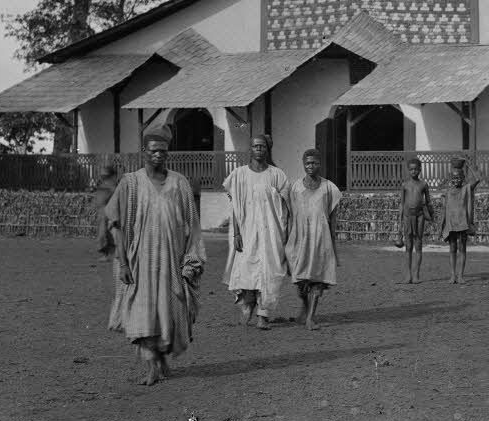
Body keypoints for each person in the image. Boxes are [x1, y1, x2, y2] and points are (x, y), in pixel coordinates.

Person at [104, 128, 206, 386]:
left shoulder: (180, 182)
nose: (158, 155)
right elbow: (114, 222)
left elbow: (192, 224)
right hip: (139, 261)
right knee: (140, 312)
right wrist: (124, 262)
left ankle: (161, 362)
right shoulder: (130, 183)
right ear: (144, 153)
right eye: (153, 151)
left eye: (163, 151)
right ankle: (151, 366)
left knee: (168, 313)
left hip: (171, 262)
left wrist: (192, 260)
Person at [222, 134, 291, 329]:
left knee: (270, 271)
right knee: (246, 270)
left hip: (272, 233)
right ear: (250, 149)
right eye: (255, 146)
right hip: (247, 232)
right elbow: (235, 207)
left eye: (262, 146)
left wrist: (287, 234)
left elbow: (287, 208)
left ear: (267, 149)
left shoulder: (277, 175)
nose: (258, 149)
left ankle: (264, 313)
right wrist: (236, 233)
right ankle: (248, 304)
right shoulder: (239, 175)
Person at [286, 148, 343, 330]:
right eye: (308, 163)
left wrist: (333, 243)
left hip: (321, 239)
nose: (311, 166)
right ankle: (305, 305)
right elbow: (289, 215)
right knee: (300, 280)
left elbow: (333, 217)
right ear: (303, 165)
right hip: (300, 238)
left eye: (314, 163)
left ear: (320, 164)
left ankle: (311, 317)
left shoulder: (329, 188)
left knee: (318, 278)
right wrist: (288, 238)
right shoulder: (295, 187)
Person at [440, 157, 480, 284]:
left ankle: (461, 275)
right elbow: (444, 210)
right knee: (452, 249)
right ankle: (452, 275)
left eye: (459, 177)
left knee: (462, 249)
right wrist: (442, 225)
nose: (456, 180)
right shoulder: (447, 192)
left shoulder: (466, 189)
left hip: (463, 223)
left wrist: (468, 166)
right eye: (454, 177)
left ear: (463, 179)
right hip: (451, 224)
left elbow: (478, 179)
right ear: (450, 179)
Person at [398, 158, 435, 284]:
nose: (413, 171)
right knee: (408, 247)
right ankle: (408, 275)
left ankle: (416, 275)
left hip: (419, 217)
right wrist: (400, 220)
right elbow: (402, 204)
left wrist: (431, 215)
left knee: (418, 245)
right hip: (407, 217)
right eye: (411, 169)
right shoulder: (404, 185)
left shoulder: (423, 185)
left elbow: (428, 201)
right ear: (408, 170)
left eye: (416, 169)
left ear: (420, 170)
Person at [90, 162, 121, 258]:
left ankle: (111, 253)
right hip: (102, 213)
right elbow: (99, 198)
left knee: (106, 234)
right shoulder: (104, 185)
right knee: (103, 234)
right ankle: (107, 253)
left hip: (110, 213)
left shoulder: (113, 186)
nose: (102, 177)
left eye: (105, 175)